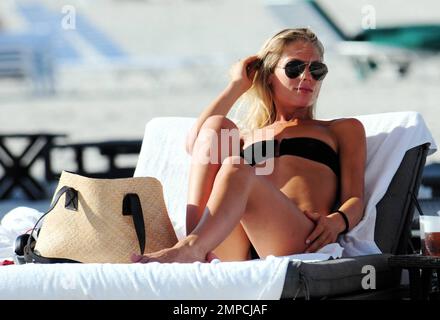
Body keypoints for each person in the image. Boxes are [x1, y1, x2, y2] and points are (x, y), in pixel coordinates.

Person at [131, 28, 366, 264]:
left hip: (300, 238)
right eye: (294, 68)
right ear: (269, 74)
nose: (307, 77)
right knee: (217, 126)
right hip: (235, 245)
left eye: (317, 70)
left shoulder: (339, 129)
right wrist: (237, 85)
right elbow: (196, 144)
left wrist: (336, 221)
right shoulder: (246, 138)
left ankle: (191, 247)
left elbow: (355, 197)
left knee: (237, 166)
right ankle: (194, 247)